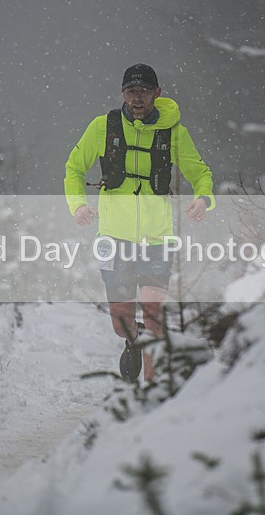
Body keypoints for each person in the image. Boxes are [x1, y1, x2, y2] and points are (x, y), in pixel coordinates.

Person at [64, 63, 215, 382]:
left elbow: (200, 173)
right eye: (131, 91)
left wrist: (202, 198)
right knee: (120, 317)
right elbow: (74, 169)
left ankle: (151, 388)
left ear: (156, 94)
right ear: (122, 93)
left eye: (144, 91)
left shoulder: (174, 132)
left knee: (153, 312)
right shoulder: (103, 127)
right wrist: (78, 207)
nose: (137, 98)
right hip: (113, 236)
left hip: (157, 237)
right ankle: (132, 342)